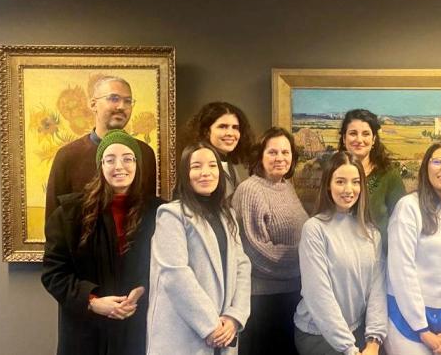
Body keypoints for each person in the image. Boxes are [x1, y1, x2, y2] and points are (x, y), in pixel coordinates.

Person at [42, 129, 164, 355]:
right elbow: (54, 272)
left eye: (128, 159)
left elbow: (168, 267)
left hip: (137, 328)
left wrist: (143, 288)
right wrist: (92, 301)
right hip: (85, 333)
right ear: (100, 166)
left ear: (138, 165)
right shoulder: (69, 214)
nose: (119, 166)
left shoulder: (158, 213)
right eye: (110, 159)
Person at [147, 142, 251, 355]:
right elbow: (175, 275)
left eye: (212, 166)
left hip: (225, 332)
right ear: (186, 173)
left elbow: (242, 266)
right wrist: (211, 326)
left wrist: (235, 317)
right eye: (196, 166)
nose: (206, 173)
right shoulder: (171, 214)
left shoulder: (227, 214)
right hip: (184, 336)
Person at [386, 142, 441, 355]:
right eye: (437, 162)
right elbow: (402, 271)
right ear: (426, 168)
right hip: (406, 317)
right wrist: (422, 328)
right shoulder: (408, 207)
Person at [294, 151, 387, 355]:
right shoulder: (315, 229)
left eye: (355, 182)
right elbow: (318, 295)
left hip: (359, 332)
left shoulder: (372, 234)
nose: (348, 189)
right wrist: (349, 349)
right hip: (319, 335)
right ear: (328, 184)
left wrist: (374, 340)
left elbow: (377, 290)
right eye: (340, 181)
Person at [231, 127, 308, 355]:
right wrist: (308, 258)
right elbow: (255, 253)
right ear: (260, 156)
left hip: (292, 294)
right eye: (273, 152)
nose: (280, 158)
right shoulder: (250, 190)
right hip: (263, 302)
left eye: (286, 152)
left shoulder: (287, 187)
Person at [46, 76, 157, 219]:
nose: (121, 106)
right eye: (114, 98)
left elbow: (148, 214)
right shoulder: (68, 156)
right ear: (93, 104)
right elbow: (54, 220)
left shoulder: (144, 153)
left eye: (127, 101)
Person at [338, 109, 406, 250]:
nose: (359, 140)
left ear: (374, 139)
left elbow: (402, 220)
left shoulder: (388, 174)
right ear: (344, 139)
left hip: (380, 257)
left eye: (366, 134)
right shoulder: (332, 172)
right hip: (341, 254)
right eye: (353, 133)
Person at [185, 102, 254, 200]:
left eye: (235, 127)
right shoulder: (196, 165)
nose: (230, 133)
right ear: (206, 132)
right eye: (222, 127)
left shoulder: (230, 165)